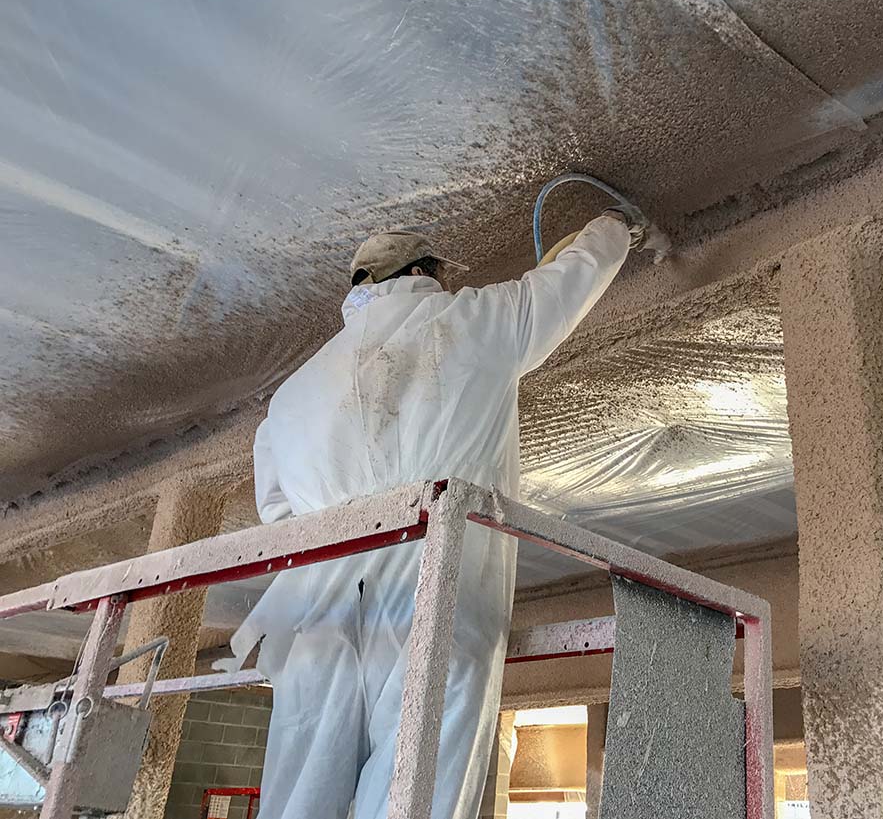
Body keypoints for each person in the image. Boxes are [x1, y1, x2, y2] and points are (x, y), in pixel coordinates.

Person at [220, 206, 652, 819]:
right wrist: (618, 225)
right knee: (414, 785)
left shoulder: (291, 396)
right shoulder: (470, 322)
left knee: (303, 793)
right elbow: (565, 283)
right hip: (436, 596)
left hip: (320, 613)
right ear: (427, 273)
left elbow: (278, 512)